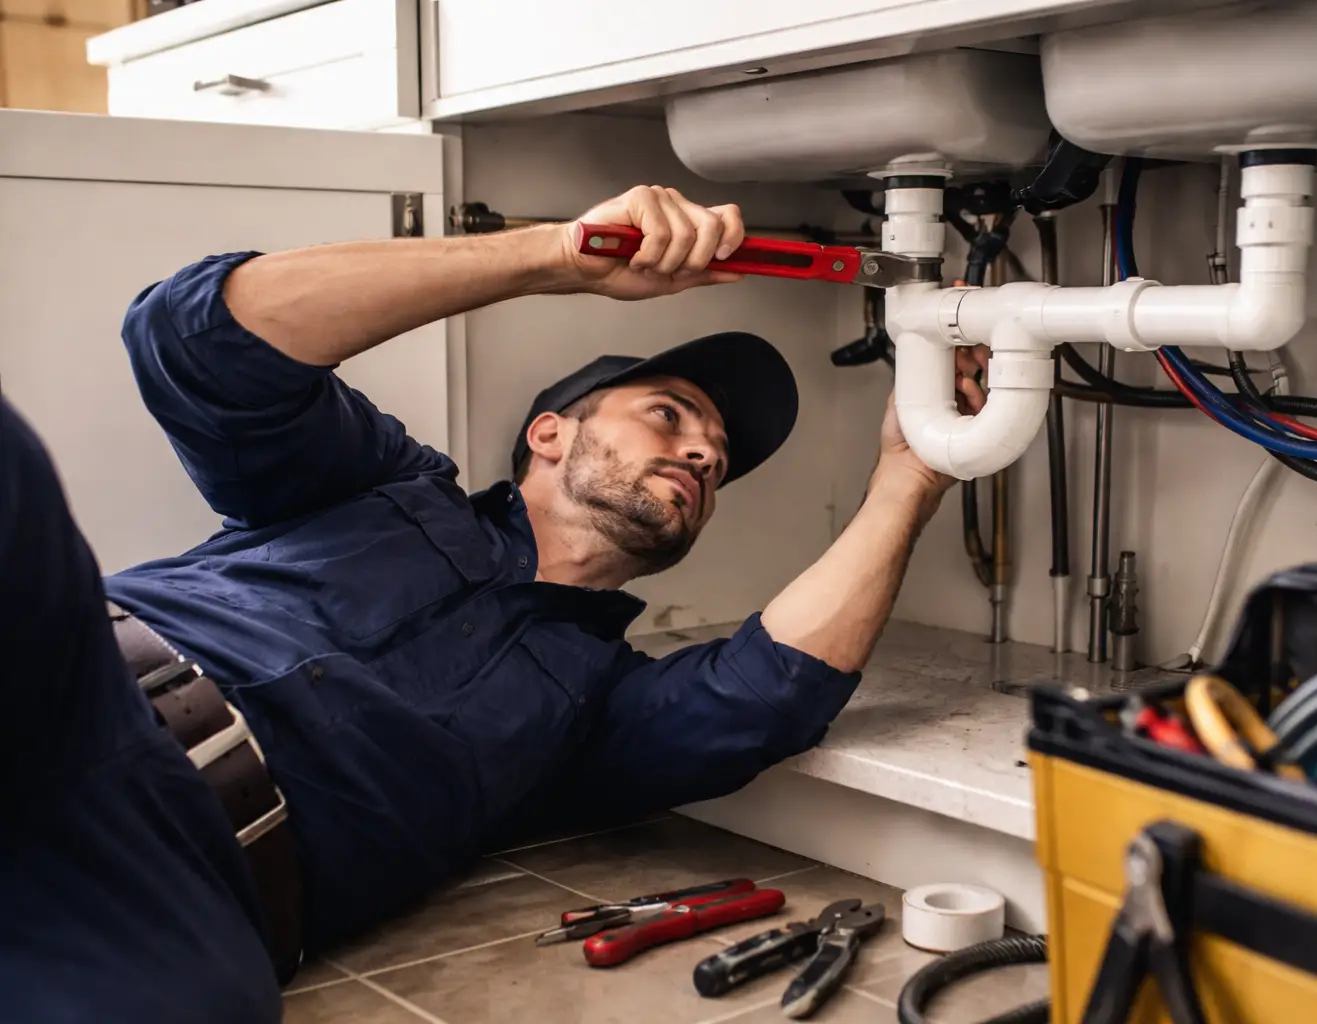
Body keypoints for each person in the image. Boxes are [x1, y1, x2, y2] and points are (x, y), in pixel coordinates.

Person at [0, 184, 985, 1022]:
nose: (697, 452)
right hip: (79, 683)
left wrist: (912, 473)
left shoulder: (599, 705)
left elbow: (772, 691)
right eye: (669, 416)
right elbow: (195, 341)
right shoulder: (376, 482)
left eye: (715, 462)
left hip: (185, 886)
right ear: (550, 433)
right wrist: (554, 258)